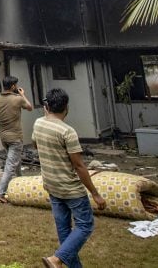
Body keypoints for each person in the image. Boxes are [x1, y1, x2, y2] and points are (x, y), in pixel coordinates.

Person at [32, 88, 107, 268]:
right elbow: (79, 166)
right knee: (85, 226)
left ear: (46, 106)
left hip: (51, 185)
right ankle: (56, 259)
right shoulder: (67, 131)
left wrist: (45, 115)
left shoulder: (38, 123)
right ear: (66, 107)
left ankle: (65, 263)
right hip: (71, 189)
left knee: (64, 231)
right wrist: (95, 194)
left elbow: (36, 144)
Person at [0, 75, 33, 203]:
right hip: (15, 138)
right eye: (16, 85)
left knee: (16, 161)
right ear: (13, 86)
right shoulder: (18, 99)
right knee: (10, 165)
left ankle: (21, 183)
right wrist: (23, 94)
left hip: (4, 138)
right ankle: (0, 193)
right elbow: (30, 107)